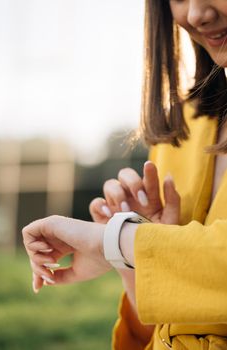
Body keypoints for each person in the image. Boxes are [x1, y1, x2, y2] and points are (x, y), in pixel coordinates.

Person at [22, 0, 227, 349]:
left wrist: (114, 241)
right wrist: (132, 261)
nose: (195, 14)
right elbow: (166, 325)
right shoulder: (182, 127)